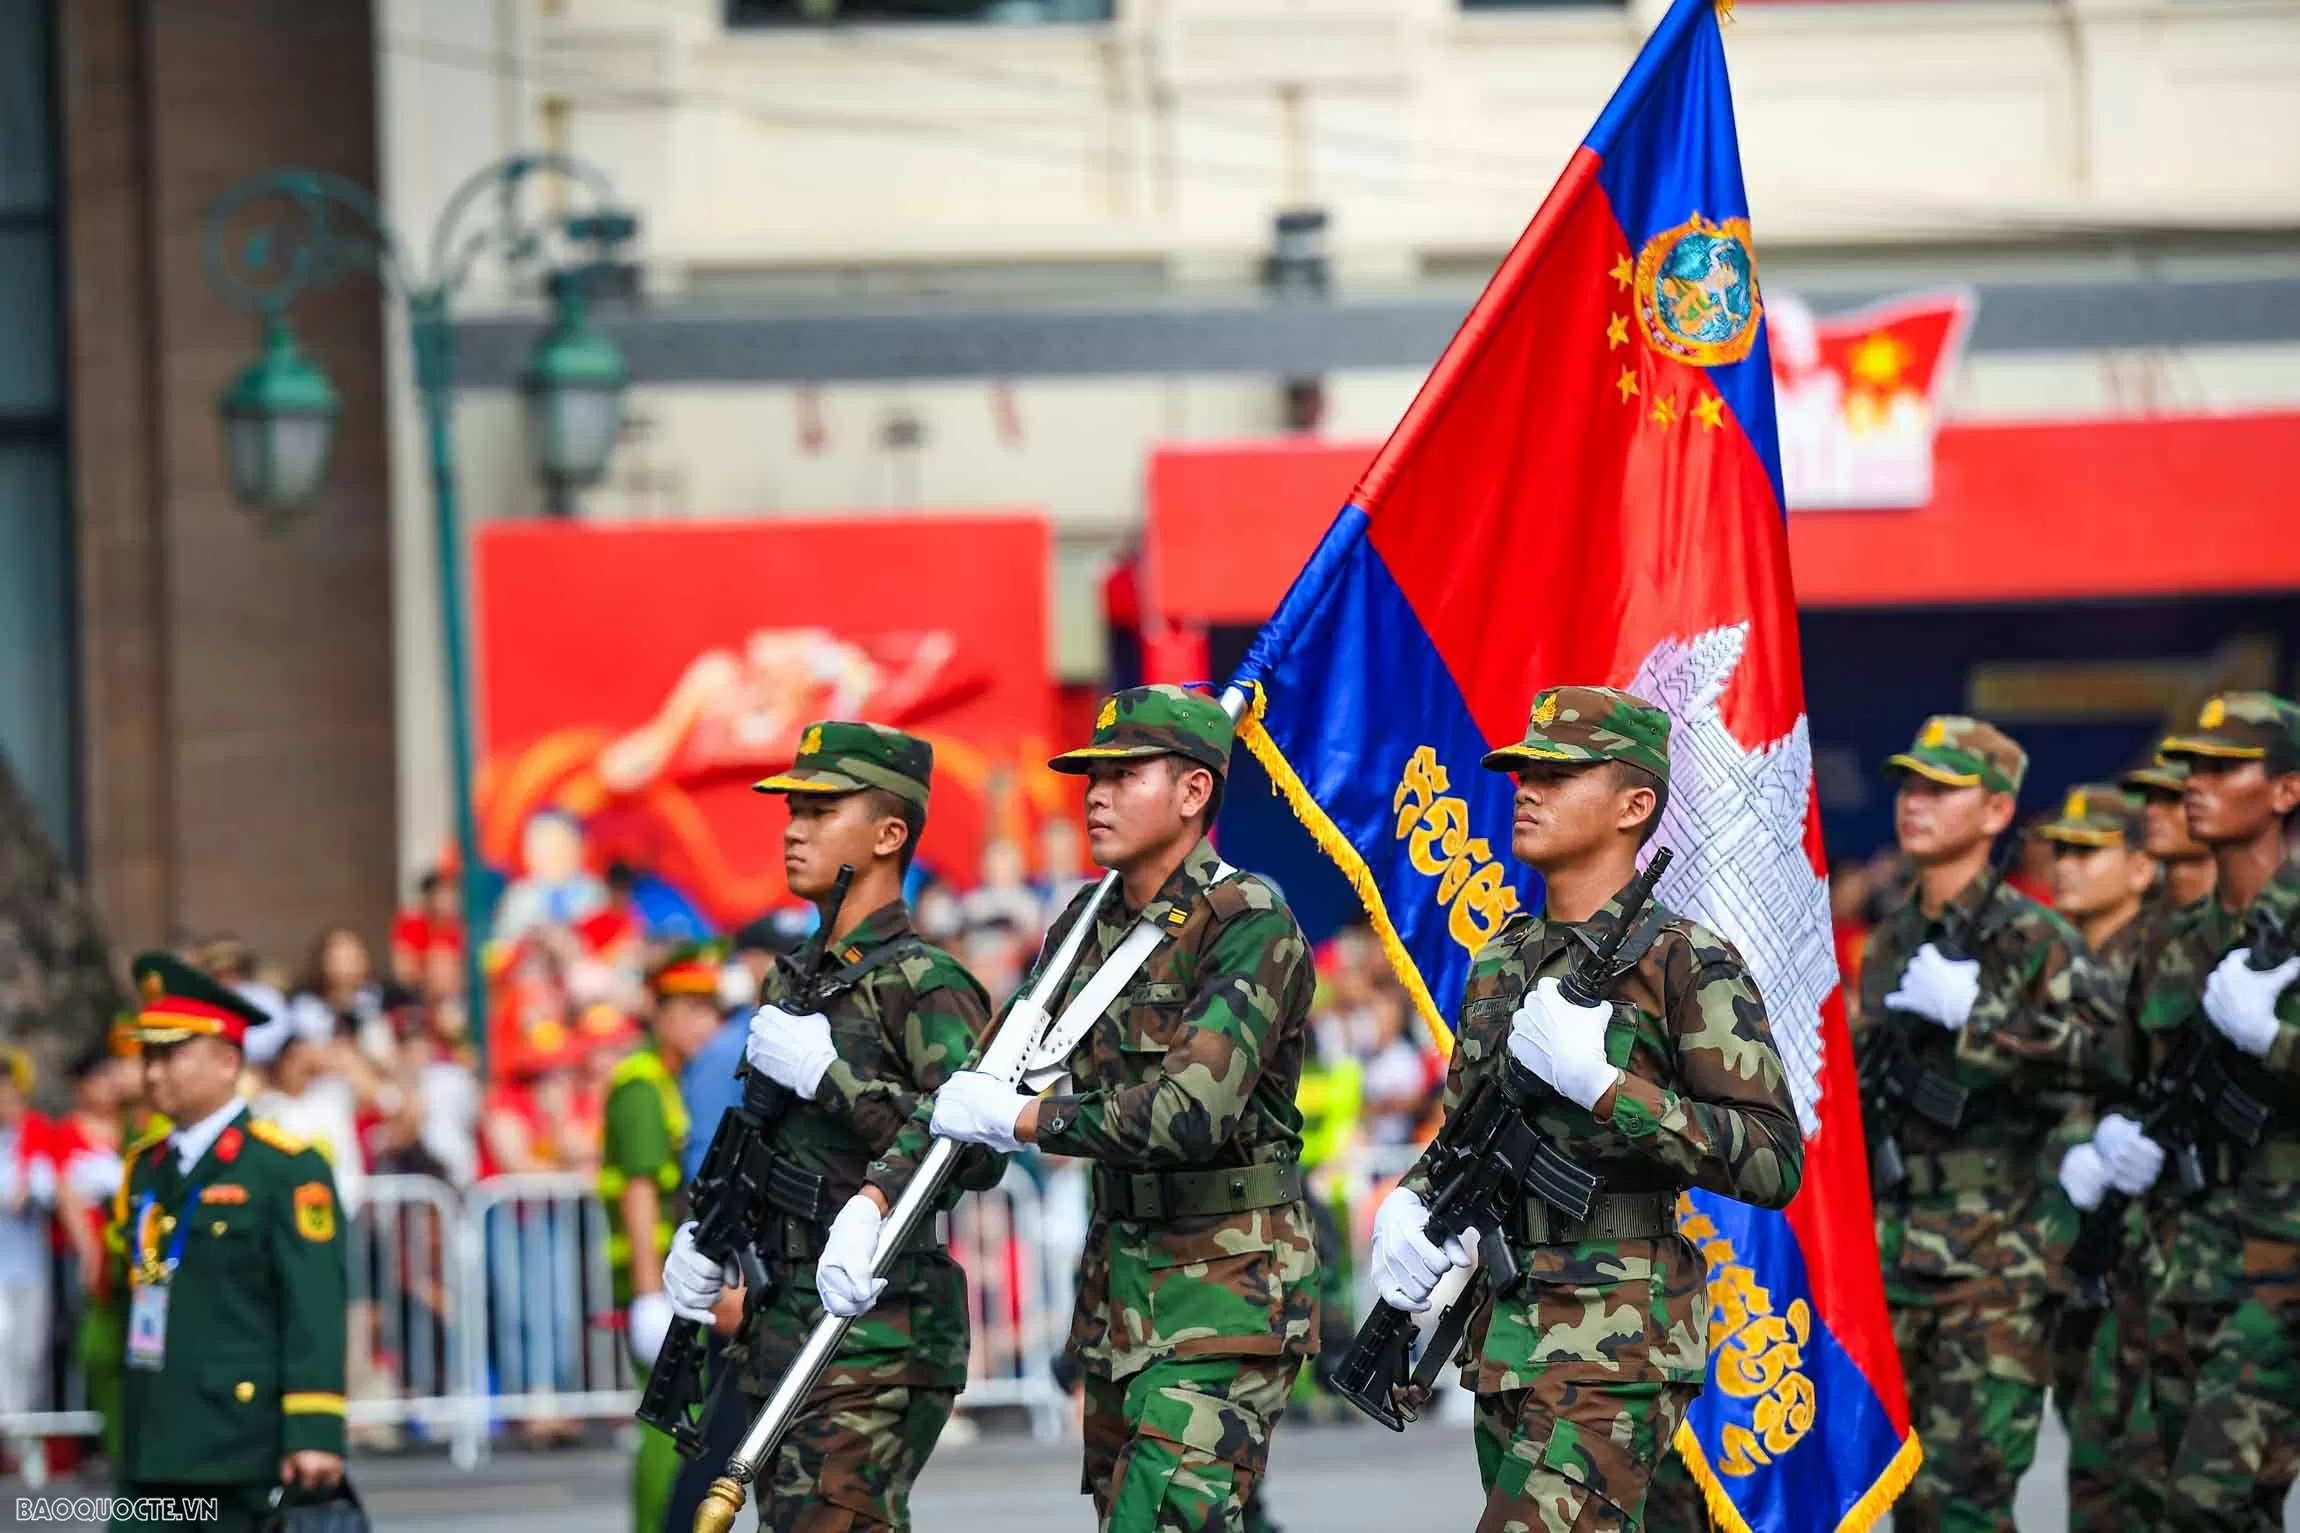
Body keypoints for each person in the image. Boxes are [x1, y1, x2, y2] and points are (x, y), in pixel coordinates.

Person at [1365, 686, 1801, 1531]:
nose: (1527, 788)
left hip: (1618, 1338)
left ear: (1635, 804)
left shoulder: (1685, 961)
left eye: (1558, 775)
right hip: (1506, 1337)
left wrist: (1609, 1088)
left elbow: (1770, 1154)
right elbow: (1468, 1128)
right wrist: (1414, 1200)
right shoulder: (1505, 957)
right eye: (1525, 772)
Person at [926, 684, 1320, 1532]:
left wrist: (1024, 1123)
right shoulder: (1087, 921)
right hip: (1121, 1291)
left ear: (1193, 792)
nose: (1095, 792)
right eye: (1091, 774)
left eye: (1123, 772)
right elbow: (994, 1073)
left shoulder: (1247, 921)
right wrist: (881, 1194)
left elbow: (1190, 1111)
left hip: (1226, 1289)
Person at [662, 720, 1001, 1533]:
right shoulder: (796, 974)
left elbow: (972, 1154)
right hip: (785, 1319)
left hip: (876, 1328)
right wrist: (706, 1237)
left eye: (820, 809)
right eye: (793, 811)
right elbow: (762, 1139)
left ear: (889, 834)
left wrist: (834, 1076)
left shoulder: (927, 983)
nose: (794, 829)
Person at [1854, 715, 2118, 1532]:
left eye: (1943, 787)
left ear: (1998, 812)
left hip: (1995, 1263)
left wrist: (1982, 1019)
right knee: (1895, 1497)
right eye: (1910, 783)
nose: (1915, 802)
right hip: (1891, 1250)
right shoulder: (1895, 938)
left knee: (1962, 1503)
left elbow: (2107, 1057)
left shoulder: (2035, 938)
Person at [2076, 693, 2300, 1530]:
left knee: (2212, 1506)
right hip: (2176, 1268)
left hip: (2281, 1275)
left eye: (2224, 767)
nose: (2196, 784)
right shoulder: (2171, 939)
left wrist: (2271, 1039)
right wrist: (2112, 1132)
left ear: (2285, 790)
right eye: (2191, 766)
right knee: (2156, 1498)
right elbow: (2126, 1077)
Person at [109, 953, 346, 1533]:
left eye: (172, 1054)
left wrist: (314, 1429)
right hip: (153, 1437)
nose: (154, 1073)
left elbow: (312, 1305)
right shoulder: (145, 1168)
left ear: (226, 1061)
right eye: (148, 1056)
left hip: (241, 1444)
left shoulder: (284, 1168)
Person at [2034, 783, 2156, 1531]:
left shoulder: (2159, 958)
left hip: (2145, 1249)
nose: (2066, 864)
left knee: (2141, 1464)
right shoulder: (2052, 959)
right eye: (2062, 848)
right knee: (2093, 1461)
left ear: (2140, 868)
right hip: (2064, 1244)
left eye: (2089, 850)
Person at [600, 942, 722, 1533]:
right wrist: (650, 1294)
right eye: (688, 1007)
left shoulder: (683, 1079)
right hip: (662, 1284)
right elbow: (641, 1192)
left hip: (690, 1279)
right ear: (657, 1010)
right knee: (669, 1426)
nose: (703, 1022)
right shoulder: (643, 1085)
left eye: (708, 1008)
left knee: (693, 1422)